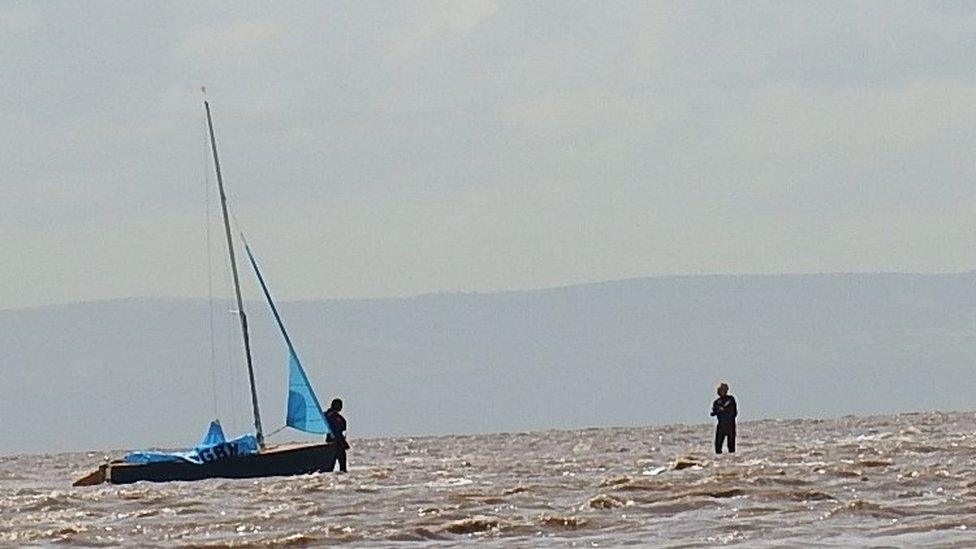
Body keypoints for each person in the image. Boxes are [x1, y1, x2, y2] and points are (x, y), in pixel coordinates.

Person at [324, 398, 350, 472]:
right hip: (337, 443)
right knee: (342, 466)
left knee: (330, 466)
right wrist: (343, 444)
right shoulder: (335, 417)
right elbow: (337, 432)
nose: (342, 407)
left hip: (330, 443)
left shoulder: (326, 415)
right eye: (340, 405)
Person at [710, 382, 737, 454]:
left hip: (730, 425)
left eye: (723, 390)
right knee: (718, 446)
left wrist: (726, 412)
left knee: (731, 446)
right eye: (720, 390)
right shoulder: (717, 402)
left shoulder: (731, 399)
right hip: (721, 425)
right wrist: (718, 411)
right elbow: (713, 412)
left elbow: (734, 412)